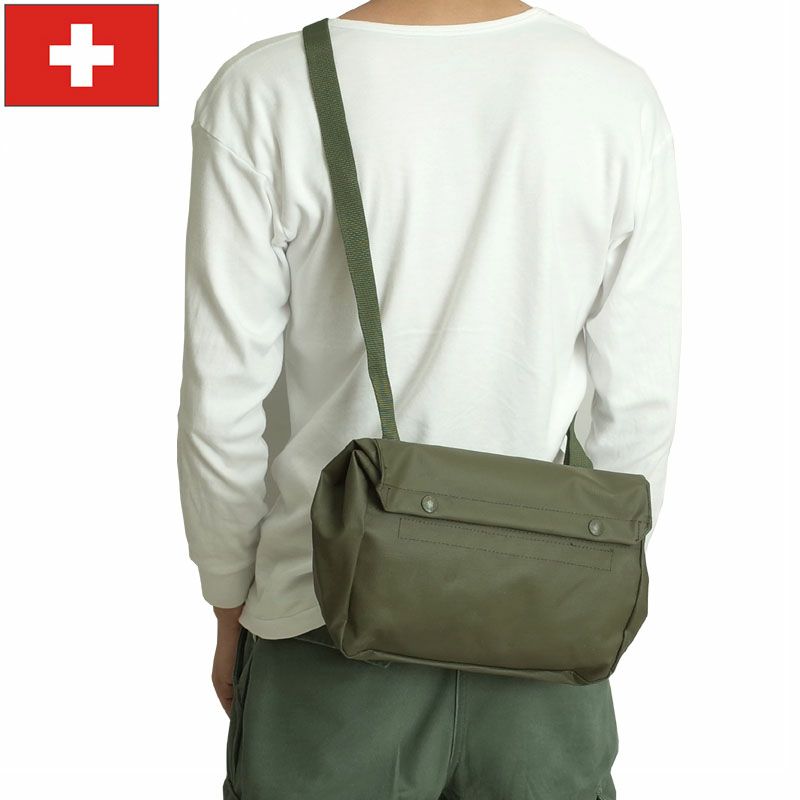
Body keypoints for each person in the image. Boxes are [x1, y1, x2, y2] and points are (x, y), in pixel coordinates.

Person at [176, 1, 682, 797]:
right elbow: (640, 403)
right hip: (543, 624)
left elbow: (222, 400)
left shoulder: (266, 90)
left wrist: (228, 598)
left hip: (321, 621)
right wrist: (592, 586)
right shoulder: (615, 94)